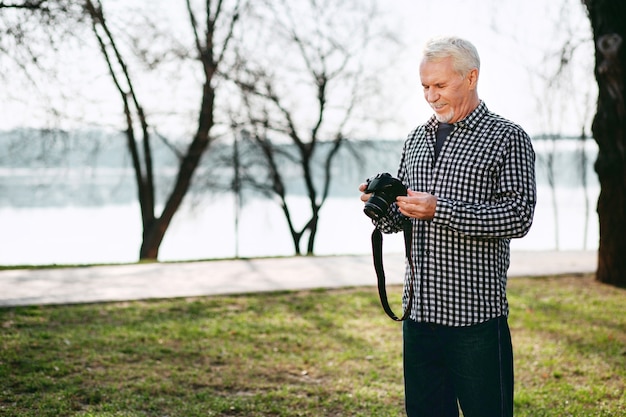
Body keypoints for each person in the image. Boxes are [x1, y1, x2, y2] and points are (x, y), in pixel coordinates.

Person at [359, 36, 536, 417]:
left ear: (470, 78)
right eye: (425, 86)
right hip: (419, 319)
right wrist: (385, 207)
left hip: (476, 322)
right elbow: (404, 222)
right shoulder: (414, 140)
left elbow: (518, 216)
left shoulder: (508, 138)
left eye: (440, 85)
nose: (431, 96)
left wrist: (441, 209)